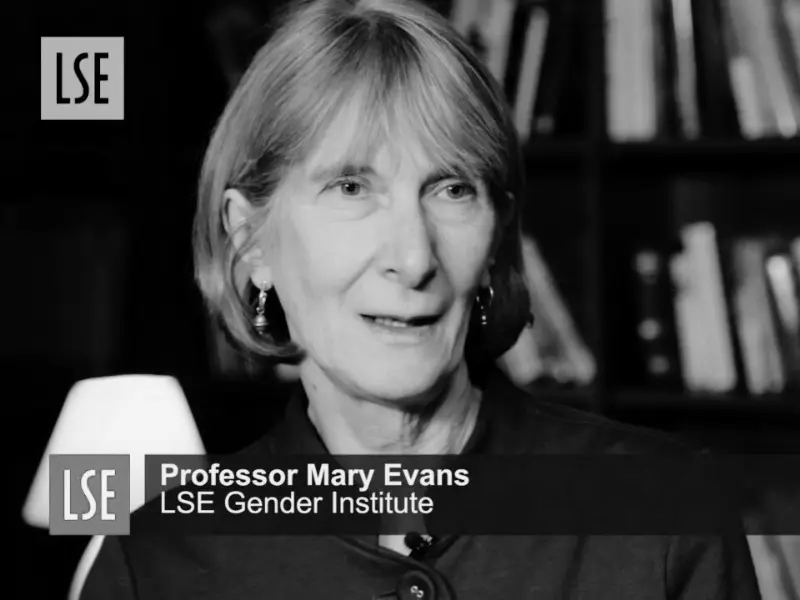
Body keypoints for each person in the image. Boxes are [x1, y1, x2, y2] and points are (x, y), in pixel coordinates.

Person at [80, 0, 762, 598]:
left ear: (495, 235)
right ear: (249, 238)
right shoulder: (156, 559)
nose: (413, 258)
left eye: (452, 189)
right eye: (351, 187)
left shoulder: (663, 515)